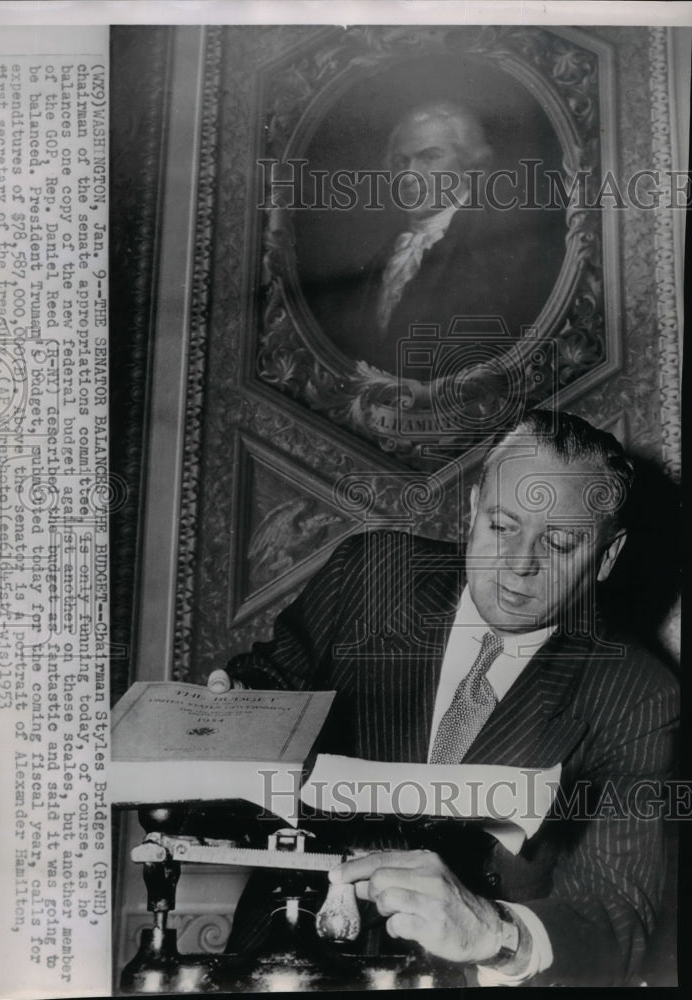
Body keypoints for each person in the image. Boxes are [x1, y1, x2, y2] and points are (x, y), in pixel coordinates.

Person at [208, 410, 679, 986]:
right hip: (286, 956)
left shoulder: (637, 693)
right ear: (473, 505)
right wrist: (233, 708)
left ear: (607, 556)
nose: (519, 564)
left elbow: (619, 913)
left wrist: (496, 932)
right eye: (501, 527)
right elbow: (271, 679)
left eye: (557, 543)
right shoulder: (370, 573)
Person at [318, 102, 563, 371]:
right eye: (402, 162)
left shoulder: (509, 255)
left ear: (469, 166)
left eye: (429, 157)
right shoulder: (379, 260)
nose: (409, 176)